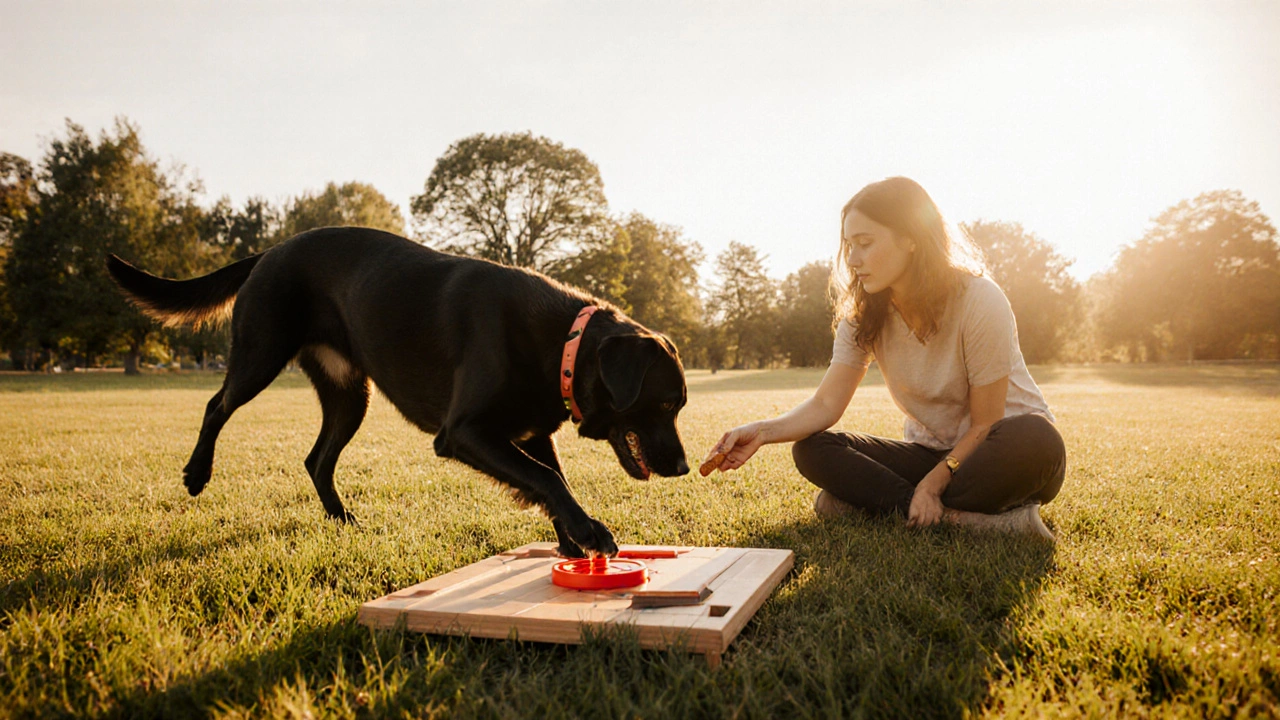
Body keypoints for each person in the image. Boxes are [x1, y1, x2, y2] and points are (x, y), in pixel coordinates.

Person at [704, 177, 1065, 541]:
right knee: (813, 448)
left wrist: (932, 484)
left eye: (864, 243)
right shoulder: (863, 317)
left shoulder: (979, 300)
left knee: (1039, 437)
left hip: (1000, 452)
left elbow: (984, 424)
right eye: (848, 245)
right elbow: (826, 403)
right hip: (932, 454)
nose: (853, 259)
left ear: (911, 238)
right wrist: (763, 433)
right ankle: (969, 521)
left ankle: (878, 505)